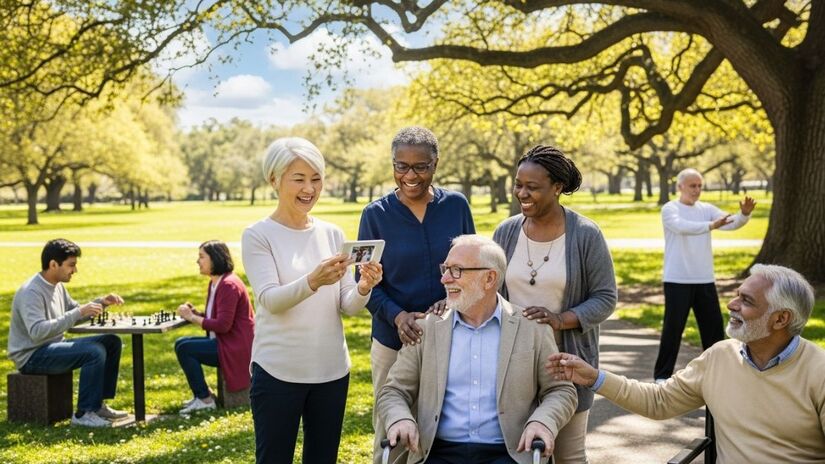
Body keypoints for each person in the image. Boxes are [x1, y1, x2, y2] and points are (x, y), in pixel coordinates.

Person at [547, 264, 825, 463]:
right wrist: (594, 377)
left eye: (746, 301)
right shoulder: (719, 357)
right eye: (737, 294)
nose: (731, 304)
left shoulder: (818, 371)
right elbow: (660, 401)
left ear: (780, 319)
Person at [242, 136, 383, 464]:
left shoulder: (331, 232)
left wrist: (364, 287)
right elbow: (269, 300)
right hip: (278, 372)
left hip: (332, 372)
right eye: (299, 179)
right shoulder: (258, 235)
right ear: (274, 180)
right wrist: (313, 281)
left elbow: (346, 304)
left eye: (316, 179)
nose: (310, 188)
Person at [378, 235, 577, 464]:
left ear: (489, 278)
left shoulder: (532, 329)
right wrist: (399, 419)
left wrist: (542, 421)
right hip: (437, 452)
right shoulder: (426, 329)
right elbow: (393, 391)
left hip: (509, 453)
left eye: (456, 270)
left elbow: (561, 390)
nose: (444, 279)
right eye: (445, 268)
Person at [358, 126, 475, 463]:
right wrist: (398, 316)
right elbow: (364, 282)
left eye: (420, 167)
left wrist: (452, 298)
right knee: (391, 430)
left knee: (442, 423)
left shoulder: (456, 206)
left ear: (435, 164)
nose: (409, 175)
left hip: (449, 333)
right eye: (401, 166)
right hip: (391, 339)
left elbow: (471, 262)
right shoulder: (374, 215)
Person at [492, 145, 616, 463]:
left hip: (566, 363)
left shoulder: (586, 235)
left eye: (532, 187)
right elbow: (489, 290)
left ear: (557, 187)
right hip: (512, 363)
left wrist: (560, 319)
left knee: (568, 456)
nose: (522, 193)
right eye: (518, 184)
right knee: (517, 452)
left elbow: (605, 298)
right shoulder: (506, 232)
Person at [7, 238, 127, 427]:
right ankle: (83, 414)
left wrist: (102, 302)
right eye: (71, 265)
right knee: (94, 352)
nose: (75, 270)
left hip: (52, 347)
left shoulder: (57, 286)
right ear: (53, 264)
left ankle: (97, 406)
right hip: (32, 356)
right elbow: (38, 332)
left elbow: (75, 314)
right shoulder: (31, 292)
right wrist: (77, 312)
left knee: (111, 342)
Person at [654, 168, 756, 381]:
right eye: (693, 186)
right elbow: (682, 227)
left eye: (700, 186)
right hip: (677, 279)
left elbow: (730, 222)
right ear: (680, 186)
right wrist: (711, 225)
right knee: (673, 329)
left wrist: (744, 214)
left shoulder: (706, 208)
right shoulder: (670, 209)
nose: (697, 190)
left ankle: (717, 375)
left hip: (704, 279)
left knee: (713, 329)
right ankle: (661, 376)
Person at [174, 240, 255, 414]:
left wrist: (192, 317)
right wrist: (197, 313)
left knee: (185, 348)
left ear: (215, 259)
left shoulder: (228, 285)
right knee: (181, 343)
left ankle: (204, 399)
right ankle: (203, 395)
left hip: (235, 347)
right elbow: (217, 318)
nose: (198, 261)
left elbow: (223, 325)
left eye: (202, 257)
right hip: (224, 341)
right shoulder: (216, 282)